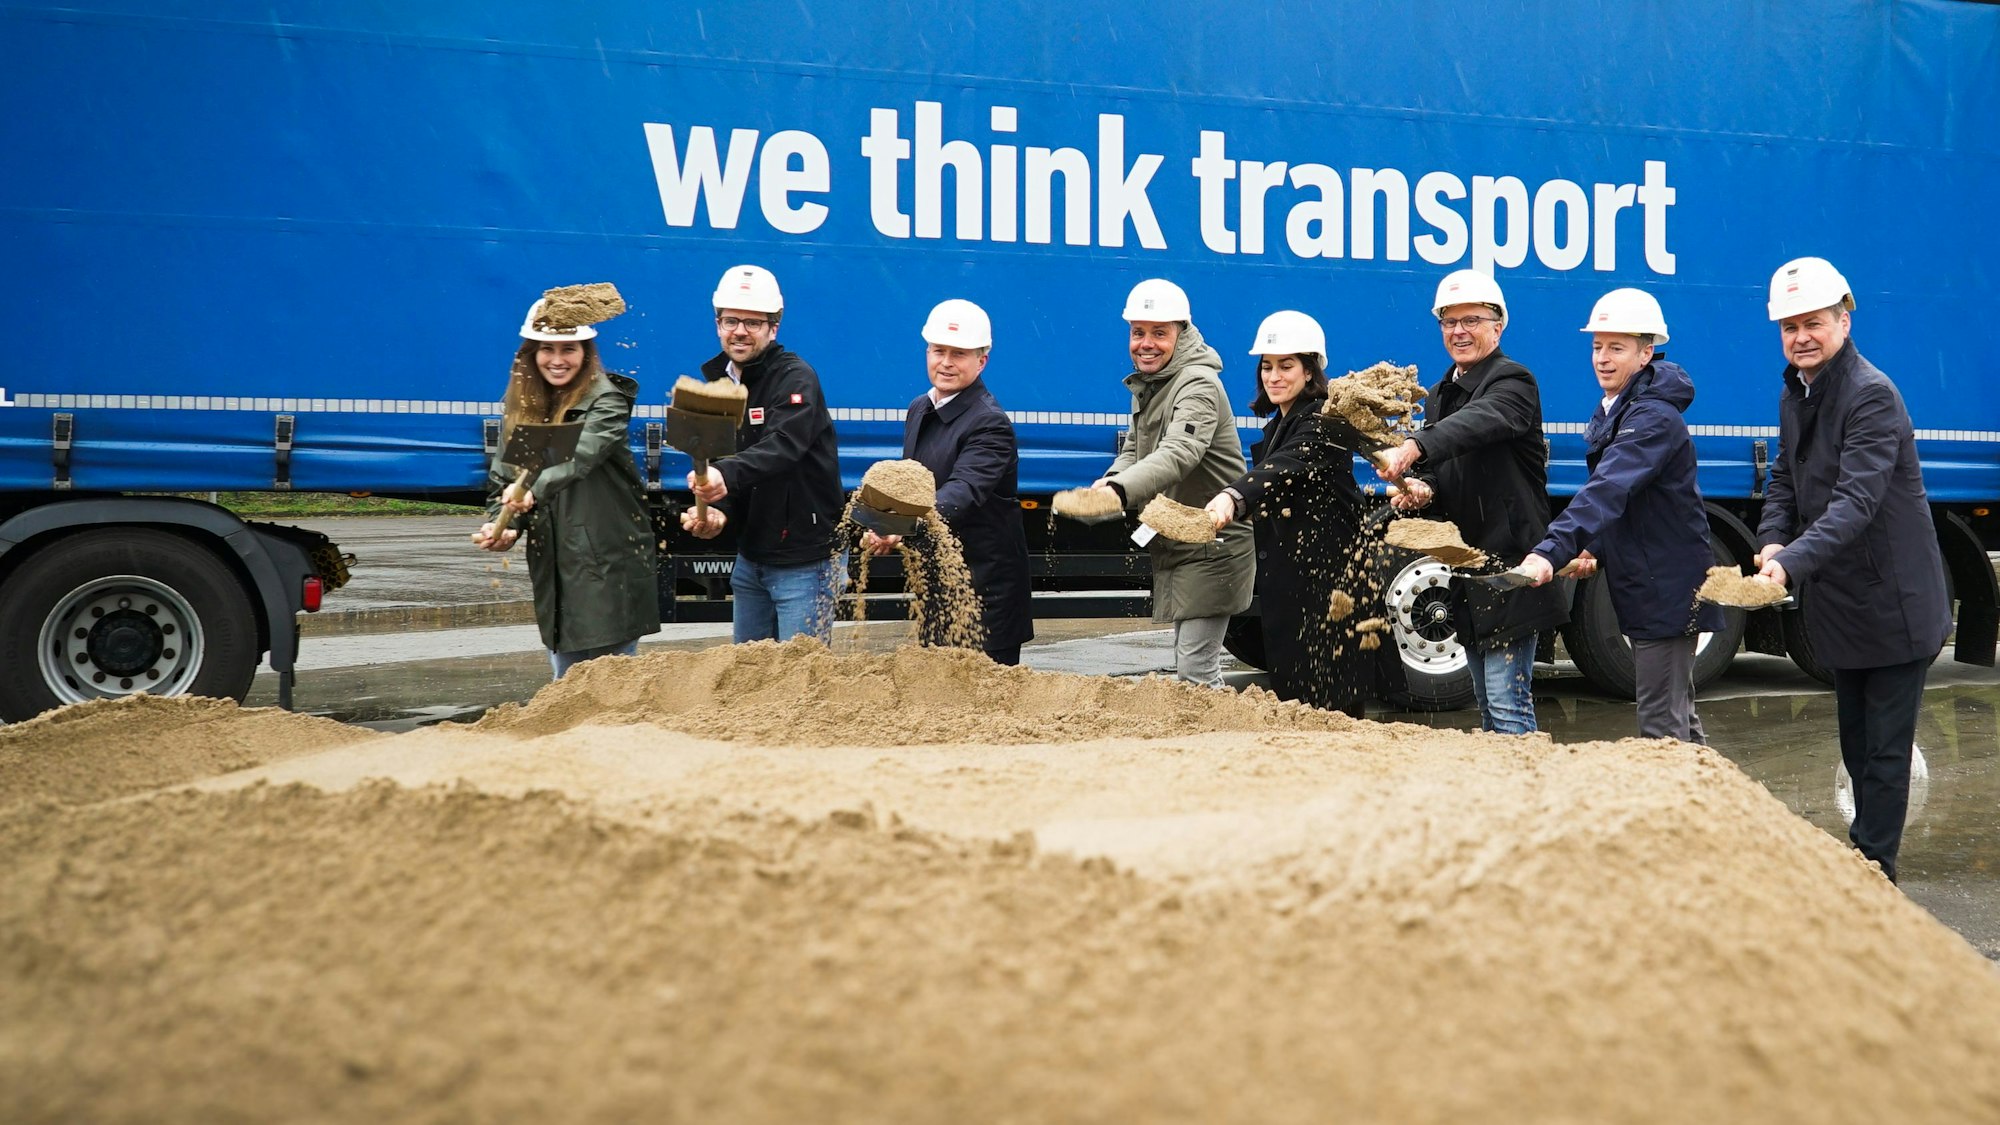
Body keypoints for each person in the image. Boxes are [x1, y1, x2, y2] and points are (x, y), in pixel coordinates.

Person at [1753, 257, 1950, 884]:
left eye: (1813, 323)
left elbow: (1855, 504)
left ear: (1844, 320)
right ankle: (1864, 859)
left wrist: (1789, 565)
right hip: (1843, 603)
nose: (1800, 336)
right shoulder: (1797, 392)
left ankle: (1874, 871)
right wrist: (1769, 539)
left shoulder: (1870, 394)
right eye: (1789, 327)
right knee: (1855, 744)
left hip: (1893, 601)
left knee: (1884, 751)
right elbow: (1785, 477)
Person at [1517, 288, 1722, 742]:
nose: (1602, 358)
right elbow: (1635, 503)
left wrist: (1551, 550)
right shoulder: (1623, 407)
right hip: (1655, 582)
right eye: (1597, 346)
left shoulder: (1650, 418)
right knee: (1677, 716)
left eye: (1617, 347)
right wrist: (1593, 545)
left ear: (1646, 352)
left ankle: (1679, 811)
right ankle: (1708, 808)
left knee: (1660, 726)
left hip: (1667, 588)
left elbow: (1608, 488)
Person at [1377, 269, 1568, 734]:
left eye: (1472, 320)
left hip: (1510, 563)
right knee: (1486, 705)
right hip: (1467, 567)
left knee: (1506, 705)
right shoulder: (1443, 392)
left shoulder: (1514, 381)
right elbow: (1447, 468)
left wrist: (1414, 446)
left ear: (1498, 325)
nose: (1459, 331)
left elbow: (1480, 423)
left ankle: (1524, 793)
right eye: (1449, 321)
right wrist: (1421, 488)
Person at [1204, 311, 1406, 716]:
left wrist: (1231, 498)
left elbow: (1279, 470)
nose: (1274, 376)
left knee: (1333, 709)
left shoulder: (1321, 420)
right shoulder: (1281, 424)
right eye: (1267, 366)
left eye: (1286, 366)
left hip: (1329, 592)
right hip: (1296, 588)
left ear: (1310, 370)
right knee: (1301, 706)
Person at [473, 297, 661, 678]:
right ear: (531, 354)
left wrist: (528, 493)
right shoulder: (529, 407)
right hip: (556, 569)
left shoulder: (605, 402)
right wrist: (505, 525)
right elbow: (504, 484)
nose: (557, 359)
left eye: (568, 349)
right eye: (547, 349)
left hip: (606, 568)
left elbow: (578, 456)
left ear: (585, 353)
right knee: (566, 686)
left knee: (610, 688)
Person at [1089, 278, 1254, 688]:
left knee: (1197, 673)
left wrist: (1121, 491)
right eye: (1138, 332)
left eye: (1159, 333)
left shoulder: (1197, 383)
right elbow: (1136, 450)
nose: (1146, 343)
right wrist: (1110, 479)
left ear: (1181, 334)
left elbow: (1180, 451)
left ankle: (1227, 747)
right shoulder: (1152, 383)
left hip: (1213, 545)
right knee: (1191, 669)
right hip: (1181, 542)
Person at [861, 299, 1035, 664]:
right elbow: (909, 484)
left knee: (983, 707)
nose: (946, 362)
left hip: (984, 592)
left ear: (981, 361)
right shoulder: (919, 408)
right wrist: (881, 524)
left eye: (959, 354)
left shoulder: (990, 422)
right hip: (938, 586)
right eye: (939, 351)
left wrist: (903, 525)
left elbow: (963, 492)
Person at [681, 264, 845, 644]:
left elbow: (783, 444)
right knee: (749, 677)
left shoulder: (795, 378)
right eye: (731, 320)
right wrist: (719, 514)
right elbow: (731, 463)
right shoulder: (721, 383)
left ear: (774, 328)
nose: (740, 330)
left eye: (753, 323)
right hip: (752, 558)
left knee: (801, 681)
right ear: (718, 323)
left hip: (805, 561)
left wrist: (725, 475)